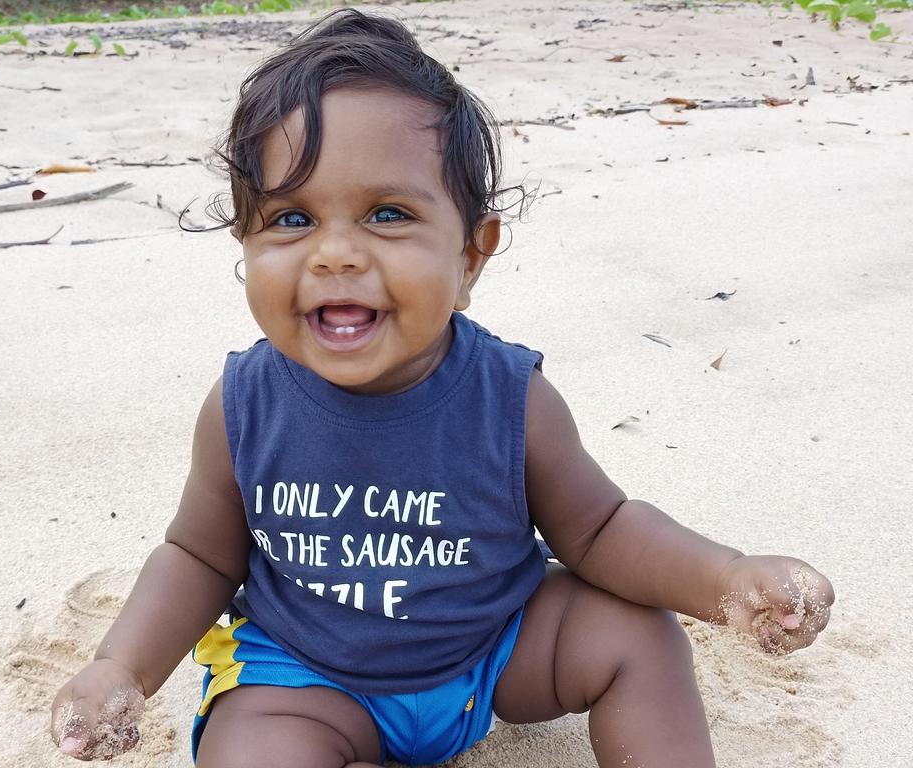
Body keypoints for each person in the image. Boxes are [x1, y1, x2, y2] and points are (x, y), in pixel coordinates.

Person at [50, 9, 834, 767]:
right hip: (306, 677)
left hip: (490, 655)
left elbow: (600, 533)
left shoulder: (511, 398)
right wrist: (123, 666)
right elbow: (197, 556)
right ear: (245, 244)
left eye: (386, 213)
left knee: (640, 635)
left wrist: (726, 578)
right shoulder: (242, 404)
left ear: (470, 257)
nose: (334, 254)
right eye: (290, 220)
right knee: (251, 744)